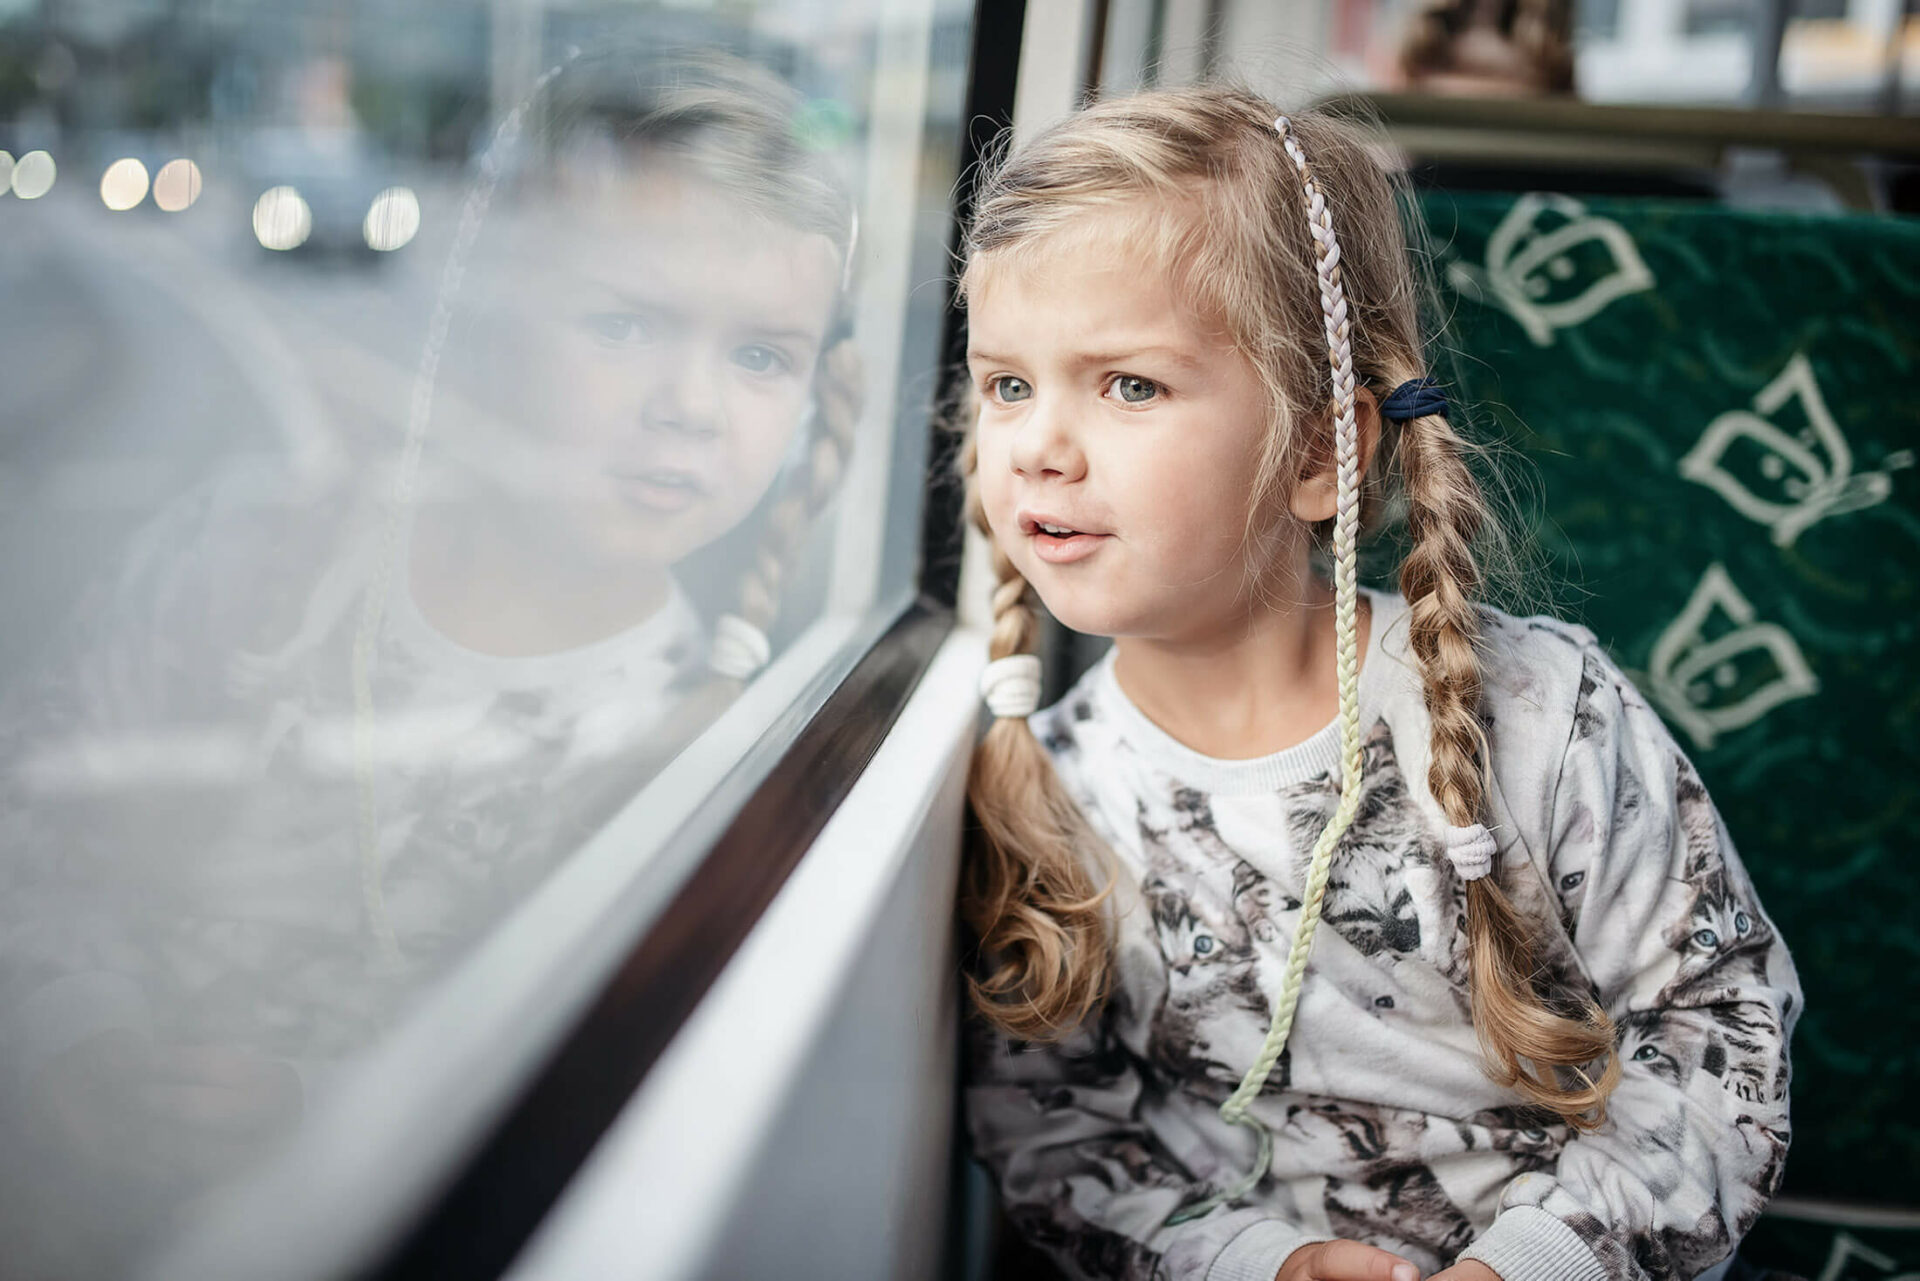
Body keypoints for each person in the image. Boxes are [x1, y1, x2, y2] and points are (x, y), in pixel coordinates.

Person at [0, 44, 861, 1278]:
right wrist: (71, 1037)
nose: (691, 404)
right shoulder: (253, 548)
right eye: (624, 322)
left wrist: (312, 1113)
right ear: (490, 315)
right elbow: (30, 817)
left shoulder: (706, 739)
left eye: (760, 356)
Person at [956, 85, 1800, 1281]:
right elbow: (1057, 1133)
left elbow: (1722, 1037)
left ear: (1315, 453)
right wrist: (1261, 1262)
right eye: (1007, 385)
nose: (1038, 444)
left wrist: (1531, 1265)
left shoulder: (1541, 717)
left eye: (1129, 385)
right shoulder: (1045, 792)